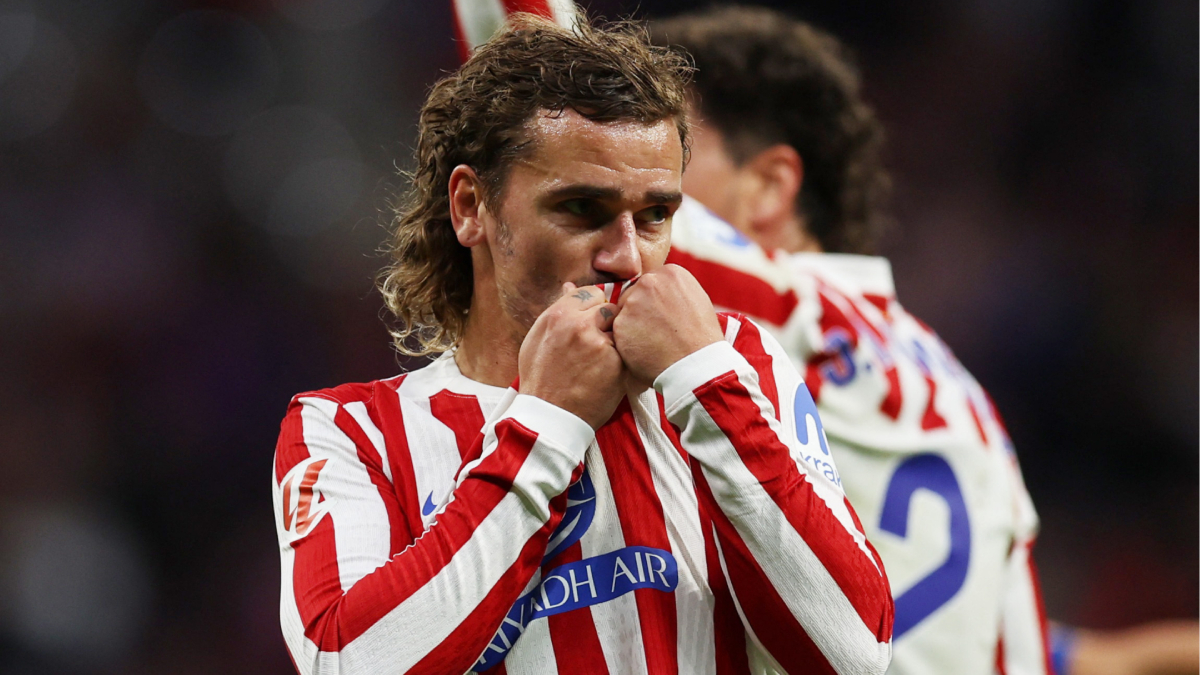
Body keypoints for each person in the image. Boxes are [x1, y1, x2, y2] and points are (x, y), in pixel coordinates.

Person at [272, 14, 894, 675]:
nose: (627, 257)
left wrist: (708, 384)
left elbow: (854, 655)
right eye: (581, 210)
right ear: (470, 206)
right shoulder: (350, 432)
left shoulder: (733, 363)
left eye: (655, 215)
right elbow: (351, 663)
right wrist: (543, 428)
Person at [647, 6, 1200, 675]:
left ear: (768, 186)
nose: (640, 176)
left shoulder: (786, 306)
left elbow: (557, 105)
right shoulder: (965, 398)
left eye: (667, 145)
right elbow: (1051, 656)